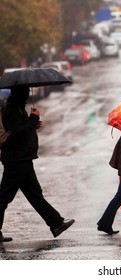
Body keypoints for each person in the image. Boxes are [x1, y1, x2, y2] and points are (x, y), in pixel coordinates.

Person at [0, 86, 75, 242]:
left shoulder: (18, 108)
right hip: (16, 160)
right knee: (4, 197)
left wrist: (32, 123)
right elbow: (17, 132)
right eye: (26, 92)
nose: (28, 95)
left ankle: (56, 224)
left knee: (35, 194)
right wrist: (33, 119)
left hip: (23, 159)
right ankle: (56, 223)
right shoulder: (12, 109)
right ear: (19, 93)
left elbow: (21, 129)